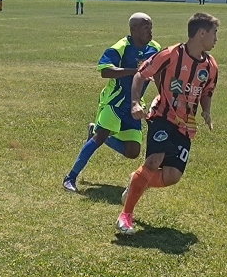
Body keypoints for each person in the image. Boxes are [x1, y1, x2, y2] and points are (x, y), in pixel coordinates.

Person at [116, 12, 220, 235]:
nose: (216, 39)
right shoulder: (171, 54)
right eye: (214, 33)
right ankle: (126, 216)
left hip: (187, 125)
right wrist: (135, 103)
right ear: (201, 33)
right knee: (154, 161)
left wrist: (207, 110)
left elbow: (207, 91)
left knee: (172, 175)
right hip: (162, 115)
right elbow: (141, 75)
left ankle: (135, 183)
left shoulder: (211, 66)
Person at [63, 13, 161, 192]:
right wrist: (134, 72)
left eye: (151, 28)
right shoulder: (121, 47)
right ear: (134, 29)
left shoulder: (155, 48)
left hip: (135, 104)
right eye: (146, 28)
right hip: (115, 100)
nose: (150, 31)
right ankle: (70, 177)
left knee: (133, 152)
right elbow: (105, 71)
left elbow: (160, 73)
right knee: (98, 138)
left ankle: (97, 131)